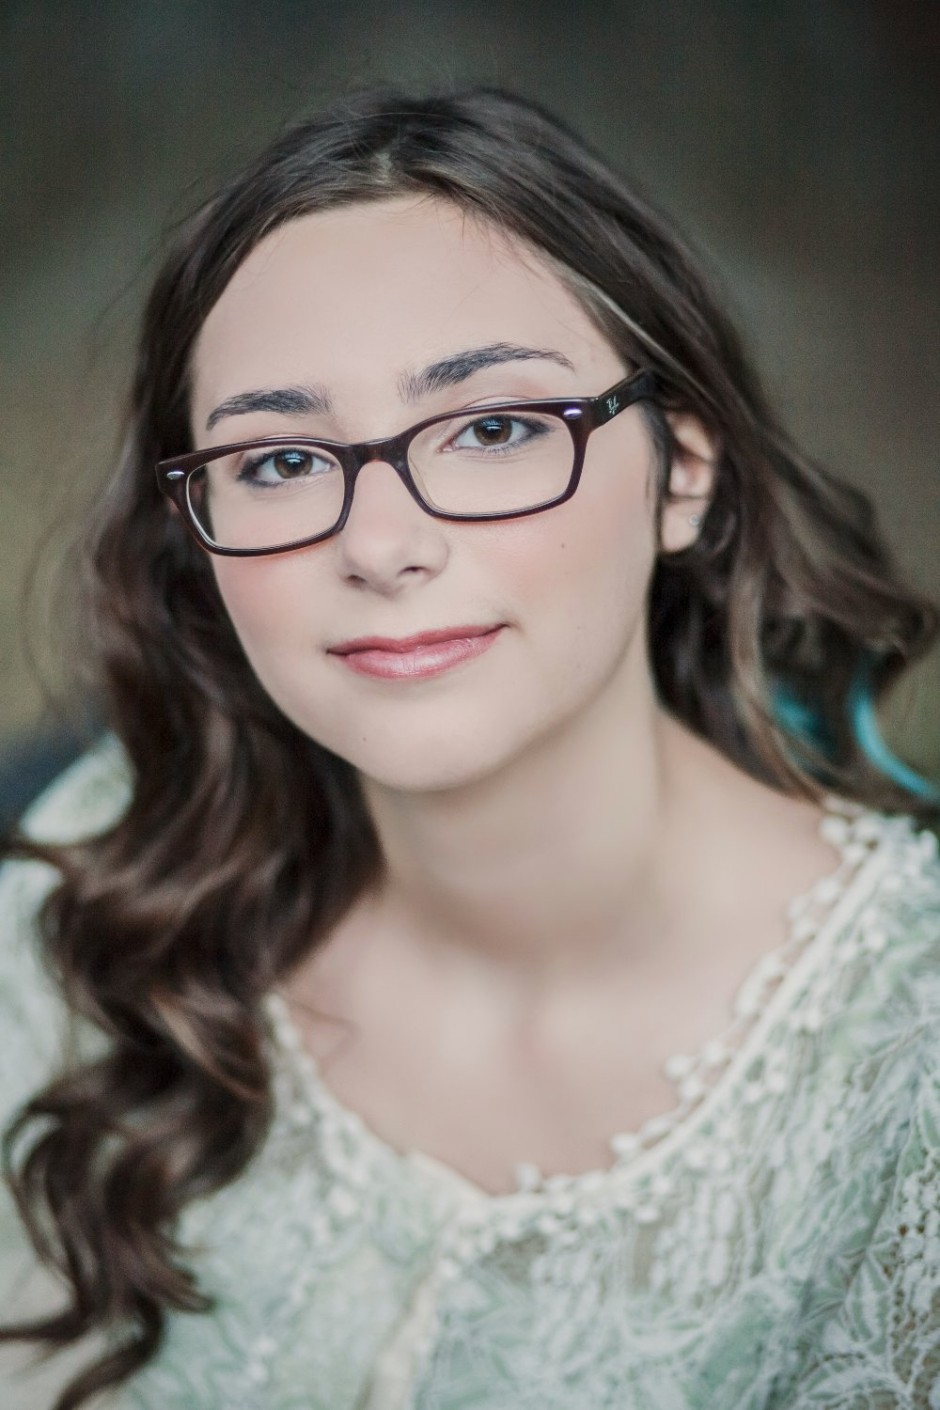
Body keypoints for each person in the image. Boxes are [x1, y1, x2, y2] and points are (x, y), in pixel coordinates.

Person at [1, 86, 939, 1410]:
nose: (381, 546)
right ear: (196, 535)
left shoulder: (910, 1066)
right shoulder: (102, 888)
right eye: (278, 460)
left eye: (495, 429)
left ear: (683, 473)